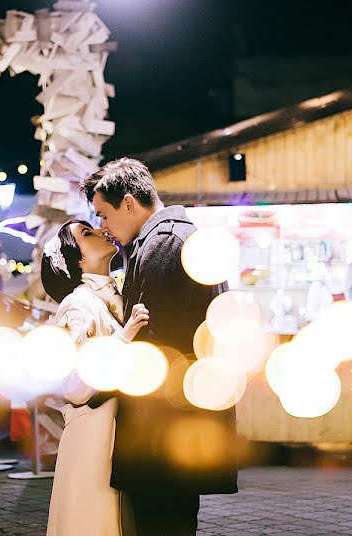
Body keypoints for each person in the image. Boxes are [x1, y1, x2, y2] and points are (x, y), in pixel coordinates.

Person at [81, 158, 238, 535]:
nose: (103, 227)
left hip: (162, 431)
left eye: (104, 215)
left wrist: (96, 388)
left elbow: (153, 345)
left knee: (163, 525)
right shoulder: (176, 238)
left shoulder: (163, 245)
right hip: (178, 426)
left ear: (130, 203)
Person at [42, 219, 150, 536]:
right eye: (87, 234)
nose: (103, 230)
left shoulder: (119, 293)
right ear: (75, 259)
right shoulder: (76, 304)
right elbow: (73, 386)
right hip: (92, 438)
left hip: (117, 436)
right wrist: (123, 339)